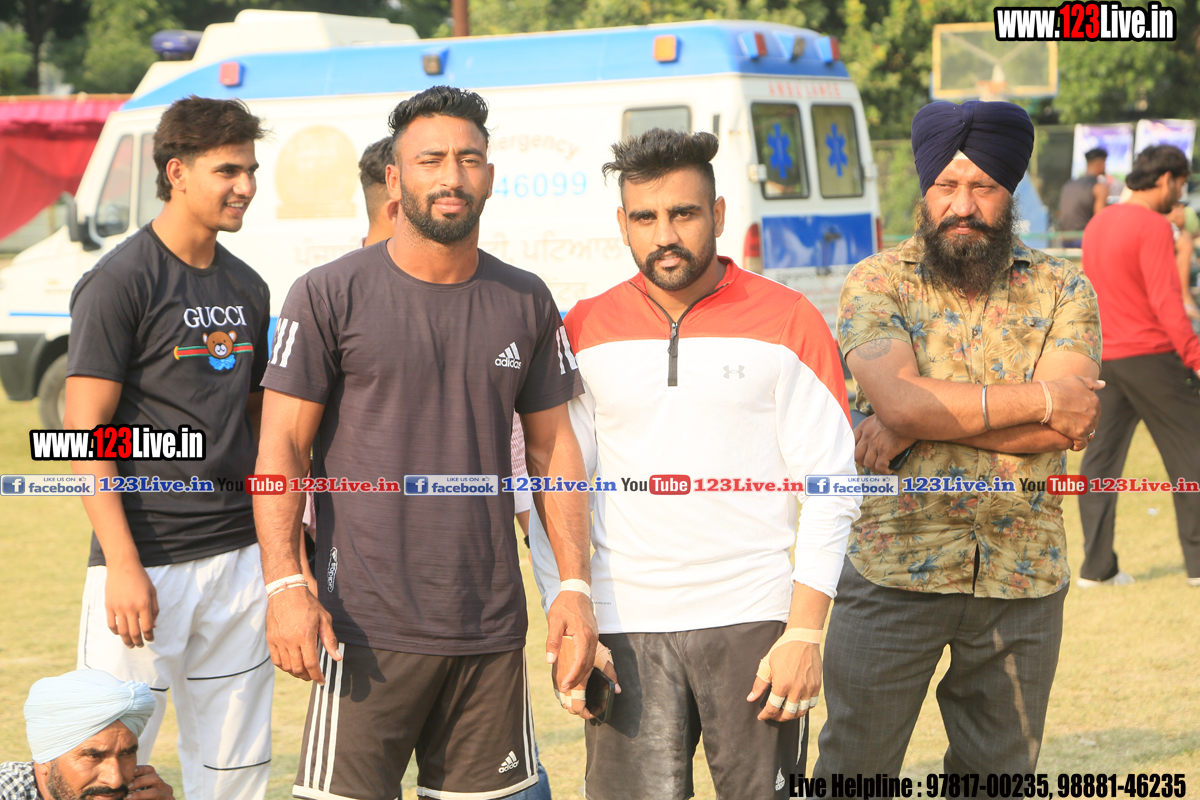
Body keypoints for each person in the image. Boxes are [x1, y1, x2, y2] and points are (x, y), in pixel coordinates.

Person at [254, 85, 597, 800]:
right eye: (430, 160)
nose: (451, 177)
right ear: (394, 179)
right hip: (360, 630)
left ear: (490, 177)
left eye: (468, 160)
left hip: (488, 630)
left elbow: (552, 451)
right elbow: (281, 446)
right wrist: (285, 584)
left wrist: (573, 586)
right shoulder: (326, 294)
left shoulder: (526, 300)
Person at [528, 128, 860, 800]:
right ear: (622, 223)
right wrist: (568, 605)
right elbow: (557, 482)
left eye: (683, 213)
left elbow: (831, 487)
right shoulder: (583, 327)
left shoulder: (790, 319)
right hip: (623, 624)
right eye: (645, 218)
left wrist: (804, 630)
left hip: (754, 619)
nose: (665, 235)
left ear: (719, 214)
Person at [815, 100, 1104, 780]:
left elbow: (1069, 423)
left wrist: (916, 417)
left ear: (1013, 191)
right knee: (853, 772)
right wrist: (1035, 399)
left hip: (1022, 575)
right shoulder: (877, 281)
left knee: (998, 779)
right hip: (893, 569)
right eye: (946, 185)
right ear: (925, 190)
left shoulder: (1064, 286)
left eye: (984, 186)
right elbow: (903, 399)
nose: (963, 205)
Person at [63, 96, 273, 800]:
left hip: (240, 559)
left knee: (237, 768)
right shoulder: (119, 281)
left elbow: (255, 421)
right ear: (176, 172)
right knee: (108, 766)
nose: (245, 185)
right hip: (147, 562)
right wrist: (121, 562)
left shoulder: (249, 287)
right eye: (228, 170)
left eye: (250, 169)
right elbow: (83, 431)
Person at [1079, 144, 1200, 589]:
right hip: (1152, 356)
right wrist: (1195, 356)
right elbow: (1167, 302)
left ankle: (1097, 570)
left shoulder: (1097, 224)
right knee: (1193, 453)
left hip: (1106, 358)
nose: (1180, 194)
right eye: (1181, 184)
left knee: (1099, 463)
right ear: (1166, 179)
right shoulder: (1153, 225)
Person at [1, 669, 172, 800]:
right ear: (45, 757)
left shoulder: (141, 792)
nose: (115, 780)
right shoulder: (8, 791)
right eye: (93, 756)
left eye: (126, 754)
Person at [1059, 146, 1108, 247]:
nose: (1105, 167)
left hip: (1065, 241)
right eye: (1104, 163)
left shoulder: (1068, 185)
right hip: (1085, 241)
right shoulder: (1099, 187)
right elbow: (1101, 220)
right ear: (1098, 163)